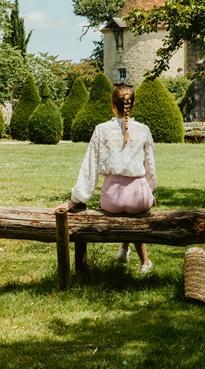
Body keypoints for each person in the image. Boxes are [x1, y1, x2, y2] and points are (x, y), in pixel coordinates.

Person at [65, 83, 156, 274]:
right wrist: (150, 191)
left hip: (112, 199)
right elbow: (150, 168)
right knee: (133, 213)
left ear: (113, 105)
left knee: (124, 210)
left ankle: (124, 250)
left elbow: (89, 166)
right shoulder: (144, 129)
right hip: (138, 197)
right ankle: (144, 262)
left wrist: (75, 199)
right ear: (133, 104)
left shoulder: (101, 130)